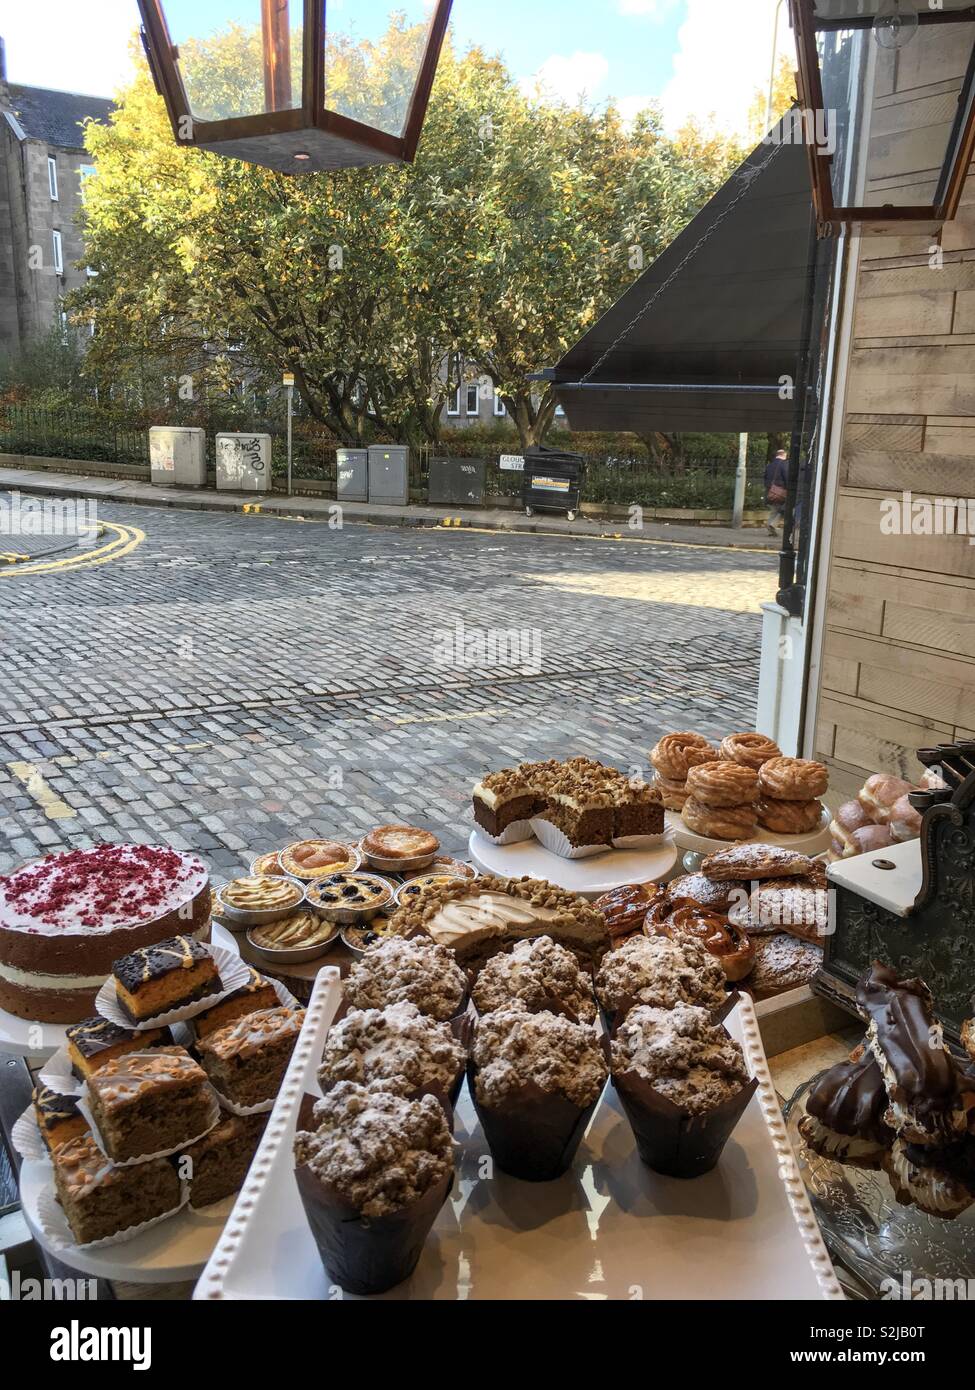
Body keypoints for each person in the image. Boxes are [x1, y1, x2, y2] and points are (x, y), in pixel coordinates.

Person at [765, 448, 789, 536]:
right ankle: (772, 524)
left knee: (774, 510)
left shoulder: (769, 465)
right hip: (781, 491)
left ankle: (769, 525)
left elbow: (765, 478)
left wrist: (769, 488)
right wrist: (788, 488)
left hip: (770, 491)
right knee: (783, 510)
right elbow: (786, 477)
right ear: (783, 455)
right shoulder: (784, 464)